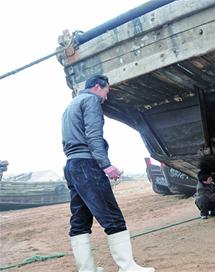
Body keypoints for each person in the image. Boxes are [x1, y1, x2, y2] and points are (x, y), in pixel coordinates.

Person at [62, 74, 154, 272]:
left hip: (71, 165)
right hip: (87, 165)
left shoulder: (70, 106)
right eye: (106, 91)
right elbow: (93, 135)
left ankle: (87, 269)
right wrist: (106, 165)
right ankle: (127, 267)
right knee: (112, 217)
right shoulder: (91, 101)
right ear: (97, 87)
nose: (106, 96)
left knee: (79, 220)